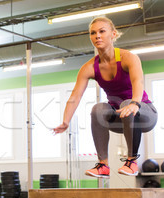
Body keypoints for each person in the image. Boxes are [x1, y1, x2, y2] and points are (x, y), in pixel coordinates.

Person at [53, 16, 158, 178]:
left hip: (145, 114)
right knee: (98, 108)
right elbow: (75, 96)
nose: (97, 36)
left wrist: (135, 103)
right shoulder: (89, 67)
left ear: (113, 34)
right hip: (120, 118)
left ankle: (131, 161)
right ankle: (103, 165)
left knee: (127, 102)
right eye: (93, 33)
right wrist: (65, 121)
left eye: (102, 31)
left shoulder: (128, 57)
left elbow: (138, 81)